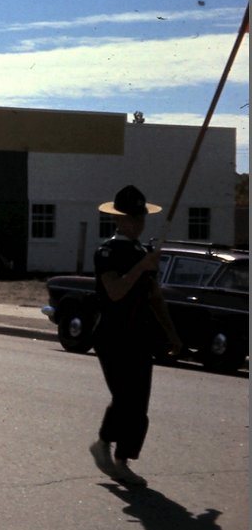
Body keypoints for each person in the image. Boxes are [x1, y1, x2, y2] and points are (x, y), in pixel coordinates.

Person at [88, 185, 182, 489]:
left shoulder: (143, 252)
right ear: (119, 219)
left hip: (139, 336)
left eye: (141, 216)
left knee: (139, 404)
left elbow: (154, 298)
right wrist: (142, 266)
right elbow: (115, 292)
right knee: (125, 396)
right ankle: (103, 443)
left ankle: (122, 460)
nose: (139, 222)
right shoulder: (108, 251)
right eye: (133, 217)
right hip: (112, 335)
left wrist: (172, 333)